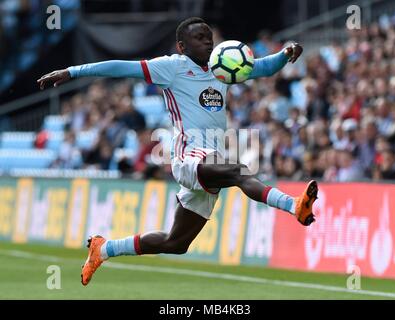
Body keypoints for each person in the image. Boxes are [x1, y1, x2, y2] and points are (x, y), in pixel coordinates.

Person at [37, 17, 318, 286]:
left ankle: (105, 249)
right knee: (236, 170)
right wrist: (72, 72)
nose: (208, 43)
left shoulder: (222, 68)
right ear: (182, 46)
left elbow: (264, 68)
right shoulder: (170, 67)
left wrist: (285, 53)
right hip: (189, 156)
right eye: (199, 38)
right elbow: (119, 67)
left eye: (209, 37)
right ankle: (293, 205)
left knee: (176, 243)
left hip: (210, 159)